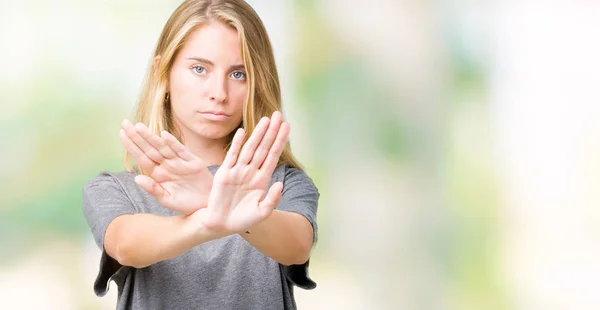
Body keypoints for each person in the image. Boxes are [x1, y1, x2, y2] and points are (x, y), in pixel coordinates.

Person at [81, 0, 319, 309]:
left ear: (257, 83)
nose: (219, 93)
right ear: (162, 73)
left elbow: (296, 247)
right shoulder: (114, 190)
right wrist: (210, 215)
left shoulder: (285, 184)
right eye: (199, 69)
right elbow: (126, 246)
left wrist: (209, 198)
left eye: (238, 74)